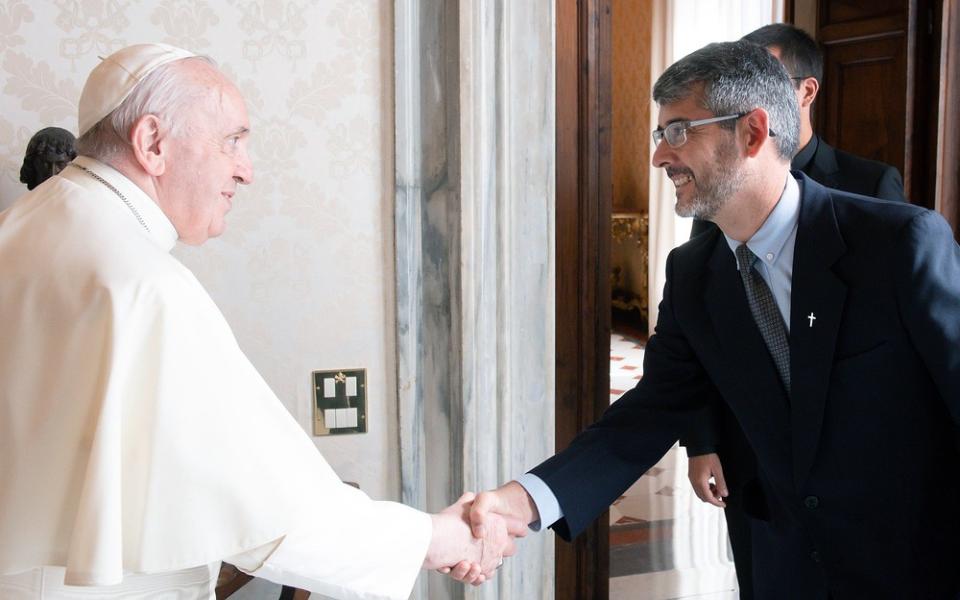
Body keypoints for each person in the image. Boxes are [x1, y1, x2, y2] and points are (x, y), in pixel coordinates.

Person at [0, 43, 515, 600]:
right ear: (152, 143)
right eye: (232, 142)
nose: (245, 171)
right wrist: (434, 538)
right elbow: (267, 508)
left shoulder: (21, 226)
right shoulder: (146, 287)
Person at [468, 40, 960, 598]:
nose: (659, 157)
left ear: (752, 132)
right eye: (661, 134)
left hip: (917, 569)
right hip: (785, 571)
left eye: (679, 131)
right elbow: (647, 414)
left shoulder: (898, 244)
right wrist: (521, 502)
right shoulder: (693, 274)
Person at [682, 24, 909, 598]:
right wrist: (702, 440)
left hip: (860, 478)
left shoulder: (875, 196)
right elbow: (694, 338)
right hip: (753, 455)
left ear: (802, 93)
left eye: (760, 81)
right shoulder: (715, 193)